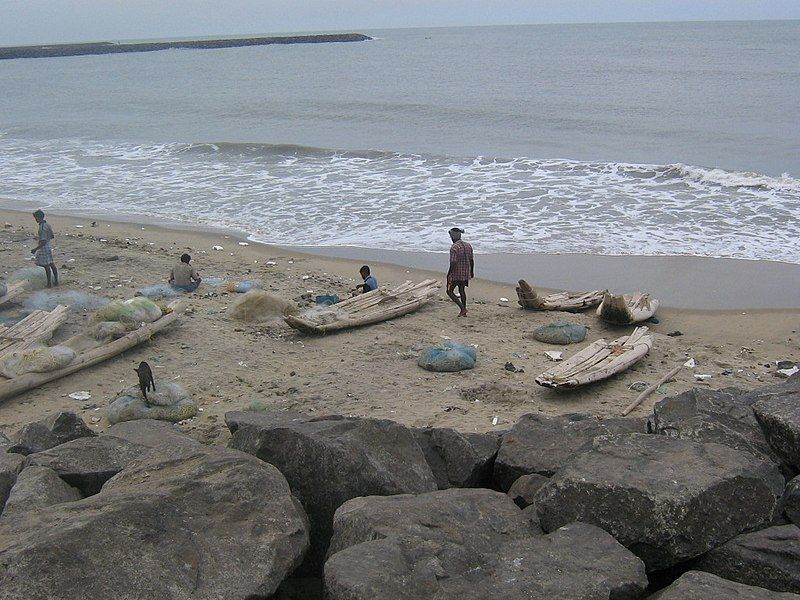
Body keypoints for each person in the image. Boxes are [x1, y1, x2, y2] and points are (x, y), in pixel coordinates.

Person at [446, 227, 474, 317]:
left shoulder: (454, 247)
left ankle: (463, 309)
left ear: (452, 237)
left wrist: (449, 274)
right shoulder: (468, 245)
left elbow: (453, 262)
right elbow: (471, 260)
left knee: (449, 291)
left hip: (456, 274)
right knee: (462, 290)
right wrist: (472, 271)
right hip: (465, 272)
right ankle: (463, 311)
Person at [30, 210, 58, 288]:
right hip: (48, 245)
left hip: (44, 247)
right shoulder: (47, 224)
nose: (35, 219)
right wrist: (40, 237)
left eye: (36, 218)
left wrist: (35, 249)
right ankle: (56, 281)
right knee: (51, 264)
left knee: (46, 266)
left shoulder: (42, 227)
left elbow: (43, 242)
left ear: (39, 218)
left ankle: (49, 283)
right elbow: (51, 236)